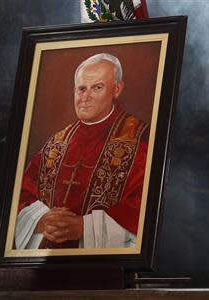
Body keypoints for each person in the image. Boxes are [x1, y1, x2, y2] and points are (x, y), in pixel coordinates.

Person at [15, 53, 149, 249]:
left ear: (117, 89)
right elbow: (22, 194)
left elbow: (142, 207)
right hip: (45, 264)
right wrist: (41, 220)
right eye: (81, 89)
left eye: (97, 87)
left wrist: (85, 227)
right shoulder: (57, 142)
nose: (85, 97)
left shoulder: (140, 141)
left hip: (102, 270)